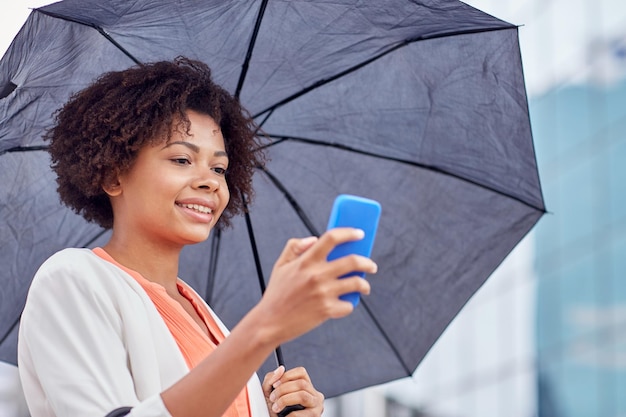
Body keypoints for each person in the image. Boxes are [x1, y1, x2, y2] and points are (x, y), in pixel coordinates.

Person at [17, 57, 377, 417]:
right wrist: (264, 325)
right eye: (181, 160)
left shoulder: (207, 318)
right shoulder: (71, 278)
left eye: (219, 168)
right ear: (113, 175)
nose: (210, 181)